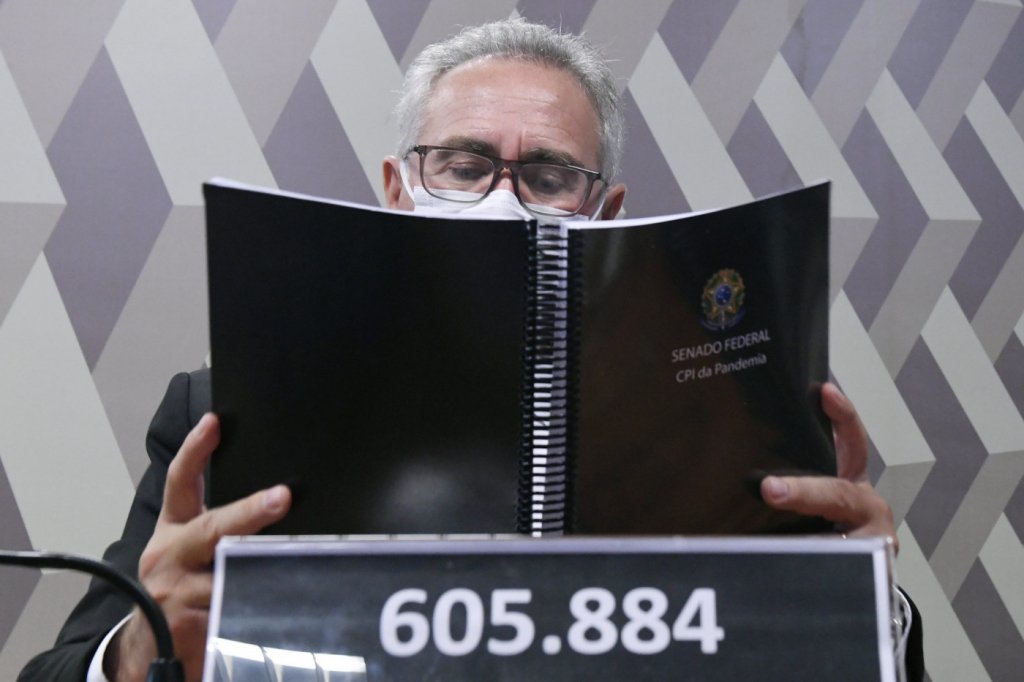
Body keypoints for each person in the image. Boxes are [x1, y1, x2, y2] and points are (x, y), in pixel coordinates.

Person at [19, 18, 921, 682]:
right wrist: (138, 648)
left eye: (547, 175)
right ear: (399, 190)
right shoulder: (225, 411)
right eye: (462, 164)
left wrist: (866, 612)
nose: (501, 198)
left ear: (604, 213)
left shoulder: (735, 420)